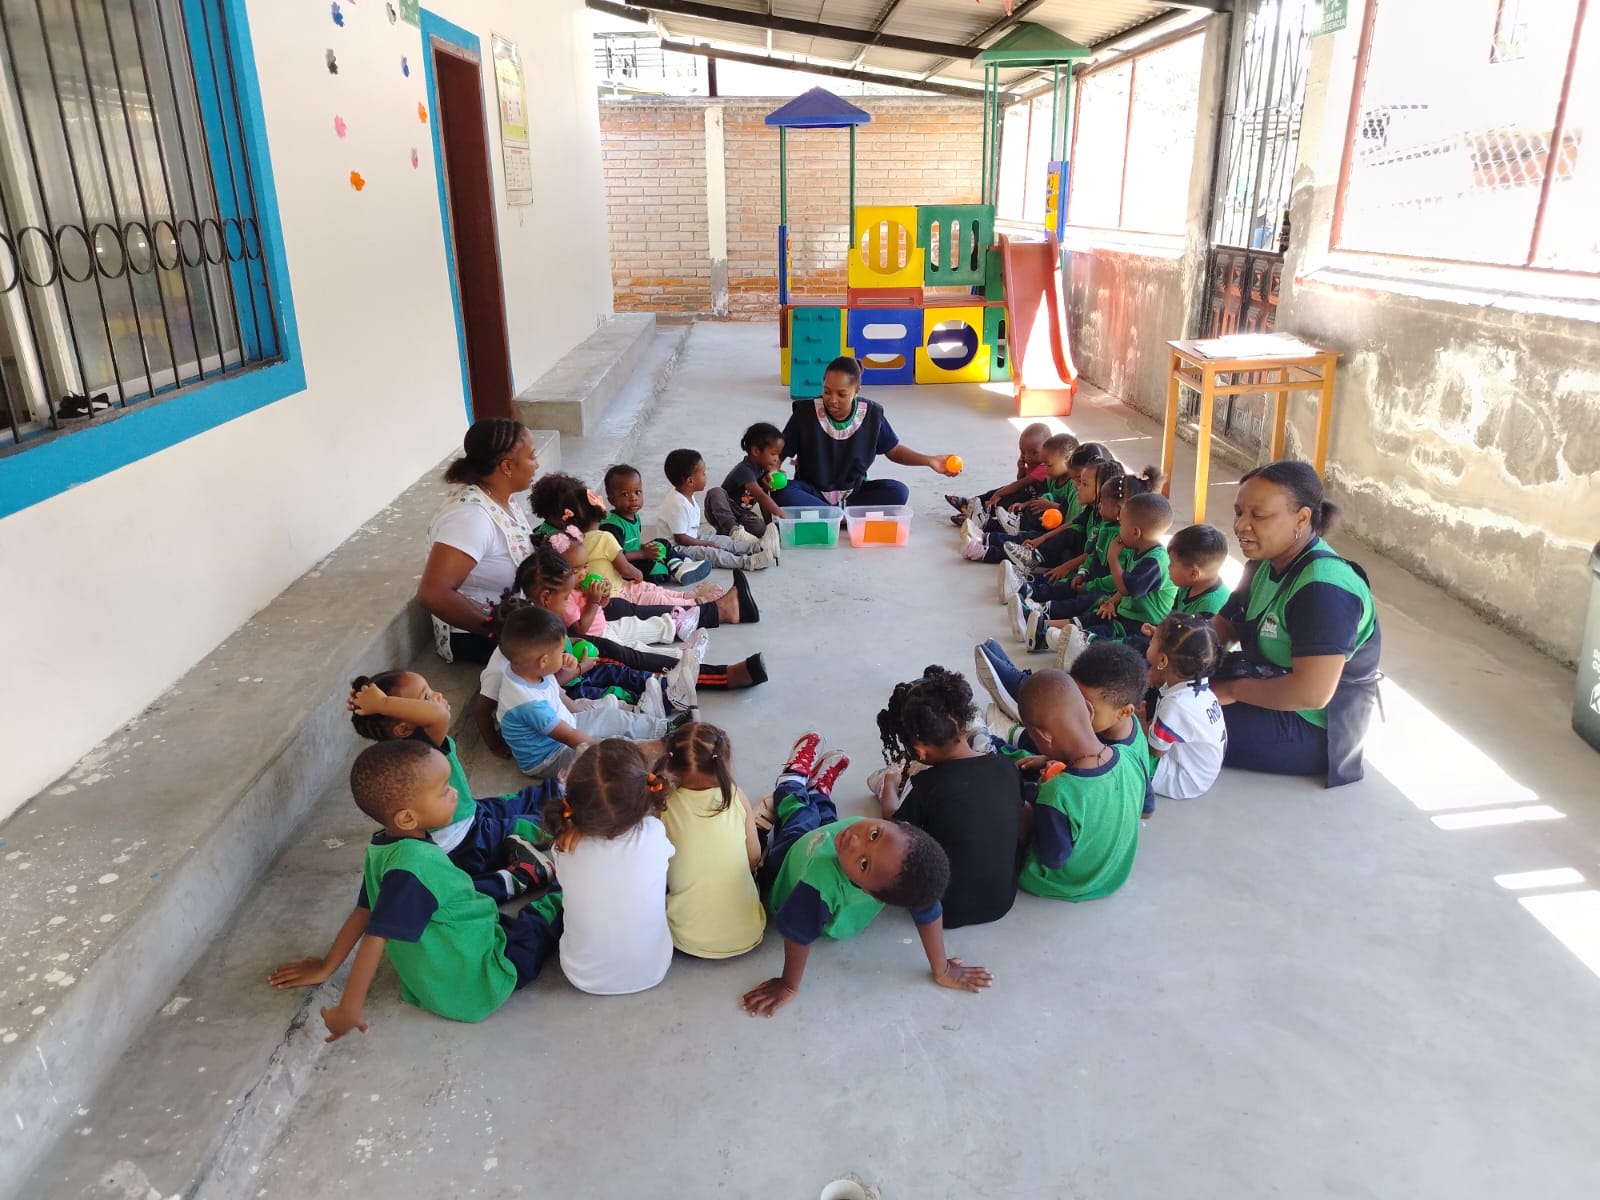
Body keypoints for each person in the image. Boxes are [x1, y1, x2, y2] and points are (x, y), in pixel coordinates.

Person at [267, 740, 563, 1034]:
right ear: (407, 817)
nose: (456, 793)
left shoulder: (383, 847)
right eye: (444, 791)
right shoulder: (413, 867)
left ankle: (526, 873)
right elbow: (375, 937)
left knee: (488, 905)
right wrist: (349, 1007)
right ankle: (560, 887)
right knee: (543, 922)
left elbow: (365, 910)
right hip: (477, 979)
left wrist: (326, 966)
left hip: (447, 965)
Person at [740, 732, 992, 1018]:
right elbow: (929, 907)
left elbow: (798, 933)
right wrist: (942, 969)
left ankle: (793, 780)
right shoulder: (868, 851)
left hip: (789, 860)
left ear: (872, 893)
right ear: (896, 824)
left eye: (863, 864)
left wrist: (788, 985)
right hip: (821, 840)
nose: (855, 841)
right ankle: (818, 792)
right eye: (875, 834)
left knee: (798, 815)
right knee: (828, 820)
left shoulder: (818, 887)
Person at [1211, 461, 1382, 788]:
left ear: (1302, 519)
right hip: (1263, 681)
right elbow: (1225, 627)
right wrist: (1177, 649)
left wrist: (1230, 690)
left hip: (1311, 727)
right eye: (1239, 513)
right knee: (1152, 687)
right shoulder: (1263, 563)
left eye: (1259, 515)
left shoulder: (1323, 588)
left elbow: (1311, 694)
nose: (1241, 525)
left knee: (1176, 719)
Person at [347, 670, 555, 902]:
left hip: (466, 812)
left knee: (512, 802)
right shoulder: (420, 748)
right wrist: (382, 704)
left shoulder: (403, 752)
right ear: (403, 729)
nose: (437, 695)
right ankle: (528, 870)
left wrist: (375, 703)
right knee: (529, 824)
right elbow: (439, 716)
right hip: (466, 841)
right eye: (426, 697)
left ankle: (560, 790)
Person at [874, 666, 1021, 929]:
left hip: (944, 910)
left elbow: (895, 828)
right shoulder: (1005, 767)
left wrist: (889, 789)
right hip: (1002, 901)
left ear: (920, 749)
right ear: (964, 724)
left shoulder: (926, 785)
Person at [542, 739, 676, 995]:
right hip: (654, 968)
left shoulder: (565, 845)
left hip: (581, 975)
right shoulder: (654, 832)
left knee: (562, 895)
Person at [492, 606, 678, 779]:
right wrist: (603, 748)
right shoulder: (528, 704)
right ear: (544, 661)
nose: (566, 653)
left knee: (611, 716)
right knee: (611, 747)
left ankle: (664, 728)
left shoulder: (526, 669)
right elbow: (571, 738)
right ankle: (656, 757)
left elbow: (557, 694)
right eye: (561, 652)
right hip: (550, 757)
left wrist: (585, 713)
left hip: (566, 724)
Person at [1014, 670, 1145, 902]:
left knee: (1015, 801)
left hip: (1065, 883)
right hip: (1112, 875)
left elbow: (1053, 858)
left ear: (1044, 735)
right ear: (1089, 710)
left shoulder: (1057, 793)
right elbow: (1146, 809)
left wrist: (1029, 816)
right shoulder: (1129, 756)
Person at [418, 418, 540, 664]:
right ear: (507, 466)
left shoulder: (499, 496)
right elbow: (433, 593)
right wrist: (499, 632)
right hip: (473, 634)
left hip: (513, 618)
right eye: (531, 456)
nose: (536, 464)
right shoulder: (471, 517)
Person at [771, 355, 959, 510]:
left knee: (898, 491)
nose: (832, 400)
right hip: (811, 491)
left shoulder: (871, 414)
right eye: (827, 391)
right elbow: (780, 452)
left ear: (856, 391)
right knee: (781, 492)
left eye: (841, 394)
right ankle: (841, 515)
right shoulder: (805, 413)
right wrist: (772, 470)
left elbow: (894, 451)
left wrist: (929, 461)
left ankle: (827, 514)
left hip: (854, 493)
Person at [659, 722, 766, 959]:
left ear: (671, 765)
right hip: (748, 932)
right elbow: (754, 857)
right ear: (725, 764)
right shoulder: (736, 796)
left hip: (685, 938)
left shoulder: (663, 805)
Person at [1021, 490, 1177, 651]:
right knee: (1095, 616)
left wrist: (1112, 556)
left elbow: (1127, 587)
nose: (1120, 529)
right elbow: (1126, 588)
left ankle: (1053, 639)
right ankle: (1041, 627)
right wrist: (1111, 602)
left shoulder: (1155, 561)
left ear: (1135, 532)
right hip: (1127, 612)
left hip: (1142, 624)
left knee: (1101, 631)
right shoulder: (1139, 549)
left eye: (1122, 524)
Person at [1142, 613, 1227, 801]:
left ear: (1163, 661)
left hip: (1183, 779)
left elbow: (1155, 751)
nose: (1149, 641)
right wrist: (1157, 671)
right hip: (1200, 773)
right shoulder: (1198, 687)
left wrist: (1140, 723)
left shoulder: (1176, 705)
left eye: (1153, 641)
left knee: (1122, 746)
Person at [1069, 642, 1156, 818]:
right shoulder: (1110, 722)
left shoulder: (1123, 761)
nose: (1075, 712)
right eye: (1074, 700)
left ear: (1124, 712)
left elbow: (1145, 810)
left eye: (1088, 709)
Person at [654, 449, 779, 571]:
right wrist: (704, 544)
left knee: (723, 540)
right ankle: (747, 562)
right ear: (690, 481)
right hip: (676, 548)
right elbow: (680, 539)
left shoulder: (685, 494)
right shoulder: (677, 505)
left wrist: (705, 541)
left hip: (691, 537)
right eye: (703, 473)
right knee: (712, 553)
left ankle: (757, 547)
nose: (706, 476)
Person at [600, 463, 711, 586]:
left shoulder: (635, 517)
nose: (633, 498)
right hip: (623, 566)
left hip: (636, 556)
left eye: (637, 492)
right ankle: (676, 567)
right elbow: (617, 557)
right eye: (625, 494)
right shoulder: (612, 525)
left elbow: (632, 544)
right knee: (658, 570)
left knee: (662, 544)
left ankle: (682, 565)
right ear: (611, 500)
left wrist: (646, 548)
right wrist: (644, 554)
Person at [944, 421, 1052, 524]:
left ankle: (977, 517)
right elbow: (1021, 480)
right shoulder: (1033, 462)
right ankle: (969, 504)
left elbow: (1020, 483)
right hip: (1024, 492)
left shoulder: (1044, 466)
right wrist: (1021, 470)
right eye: (1023, 452)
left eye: (1034, 453)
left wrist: (998, 494)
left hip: (1031, 500)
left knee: (1002, 503)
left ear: (1047, 449)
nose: (1027, 457)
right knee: (994, 492)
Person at [706, 422, 788, 538]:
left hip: (742, 514)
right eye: (773, 454)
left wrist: (769, 525)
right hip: (723, 511)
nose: (777, 459)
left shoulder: (763, 471)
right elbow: (760, 496)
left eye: (778, 455)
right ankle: (732, 529)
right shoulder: (745, 470)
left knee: (760, 527)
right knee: (716, 492)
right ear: (755, 451)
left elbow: (764, 500)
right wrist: (779, 513)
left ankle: (733, 531)